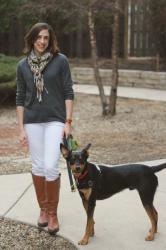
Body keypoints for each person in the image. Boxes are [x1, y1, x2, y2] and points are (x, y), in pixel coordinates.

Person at [16, 22, 74, 234]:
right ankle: (43, 210)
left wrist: (68, 122)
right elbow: (20, 97)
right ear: (32, 39)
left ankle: (53, 213)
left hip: (55, 120)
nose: (42, 41)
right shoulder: (22, 65)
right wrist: (21, 128)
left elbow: (68, 92)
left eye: (46, 38)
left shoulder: (61, 61)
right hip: (32, 121)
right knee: (38, 166)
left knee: (51, 166)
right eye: (38, 37)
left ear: (51, 41)